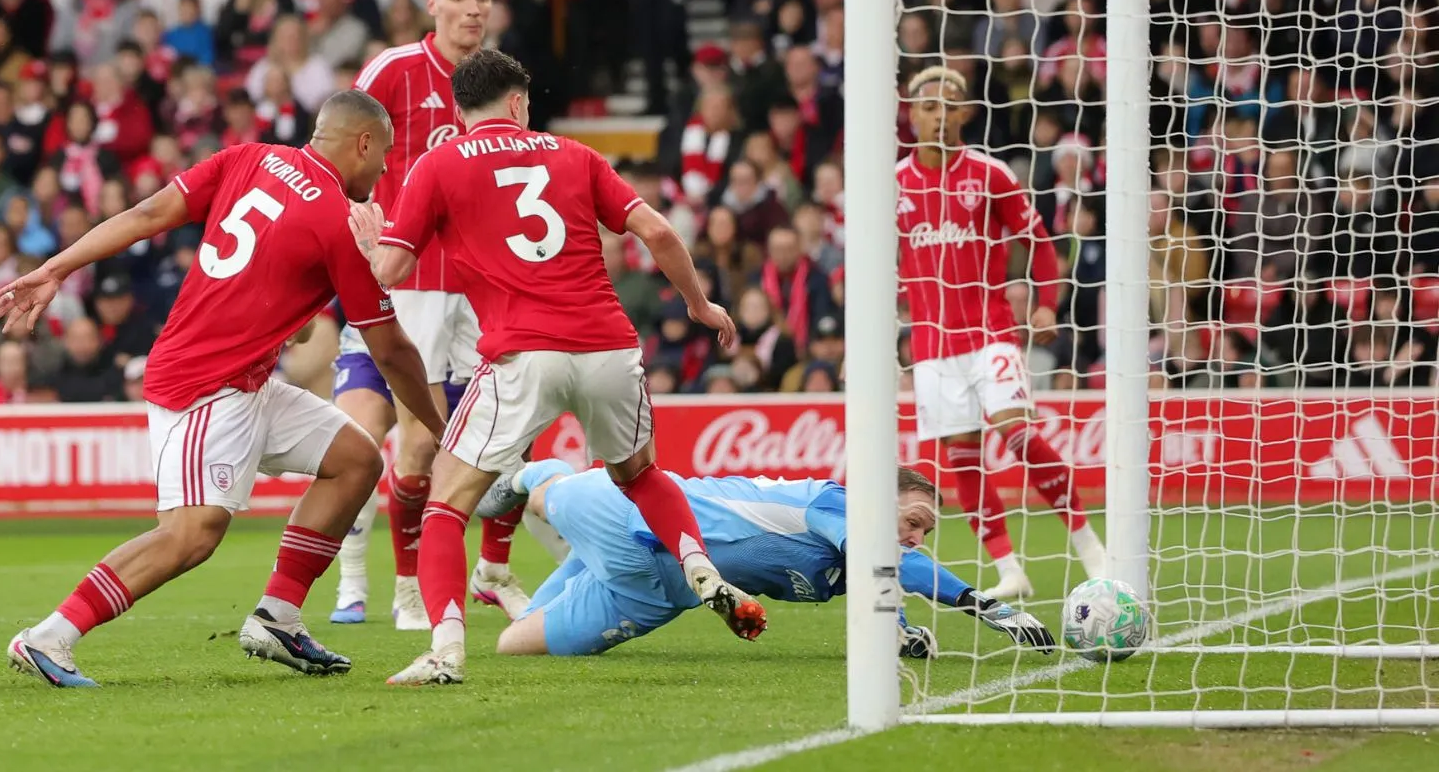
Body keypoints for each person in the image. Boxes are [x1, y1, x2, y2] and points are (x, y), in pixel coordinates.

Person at [0, 91, 443, 687]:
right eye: (384, 154)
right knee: (191, 534)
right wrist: (444, 432)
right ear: (363, 143)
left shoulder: (248, 157)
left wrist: (58, 266)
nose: (386, 168)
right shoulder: (337, 220)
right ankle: (49, 636)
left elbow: (148, 214)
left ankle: (278, 616)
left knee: (356, 460)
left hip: (243, 376)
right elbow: (390, 349)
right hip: (207, 384)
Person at [357, 49, 762, 686]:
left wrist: (365, 244)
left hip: (523, 352)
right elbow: (655, 232)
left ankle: (445, 651)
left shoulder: (437, 163)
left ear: (460, 111)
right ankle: (699, 567)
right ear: (518, 102)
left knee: (446, 503)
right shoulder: (574, 154)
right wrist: (699, 305)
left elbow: (391, 273)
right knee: (641, 475)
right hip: (607, 345)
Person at [336, 0, 520, 630]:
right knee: (411, 445)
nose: (475, 8)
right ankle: (400, 589)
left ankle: (493, 572)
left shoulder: (498, 80)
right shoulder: (392, 71)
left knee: (506, 428)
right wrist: (354, 231)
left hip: (479, 284)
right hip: (407, 283)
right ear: (432, 2)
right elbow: (336, 154)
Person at [485, 460, 1056, 659]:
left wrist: (899, 630)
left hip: (656, 594)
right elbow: (885, 561)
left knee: (512, 645)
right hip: (634, 516)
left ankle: (507, 582)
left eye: (925, 532)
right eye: (912, 521)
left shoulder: (856, 560)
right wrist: (985, 608)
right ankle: (532, 471)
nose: (916, 539)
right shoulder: (835, 504)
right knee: (548, 495)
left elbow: (874, 575)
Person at [897, 66, 1105, 599]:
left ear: (965, 113)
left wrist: (1045, 304)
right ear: (911, 113)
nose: (938, 115)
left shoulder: (989, 174)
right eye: (927, 105)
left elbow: (1038, 241)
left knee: (1017, 433)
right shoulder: (893, 184)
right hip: (932, 345)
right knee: (963, 458)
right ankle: (1009, 569)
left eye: (949, 105)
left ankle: (1091, 550)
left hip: (990, 330)